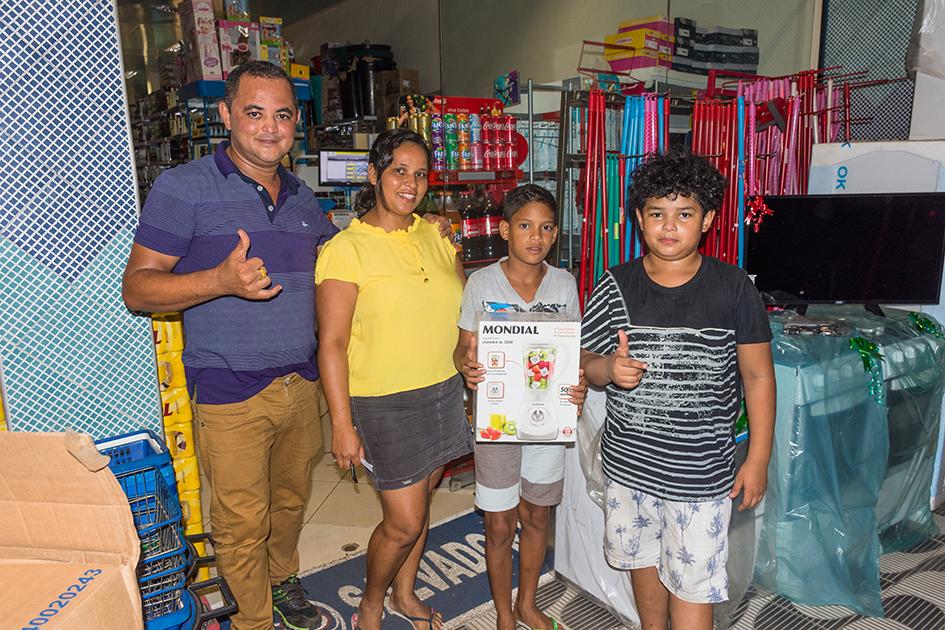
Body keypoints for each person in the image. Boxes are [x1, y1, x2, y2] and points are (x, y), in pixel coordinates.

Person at [122, 61, 449, 630]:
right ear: (225, 115)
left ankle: (282, 581)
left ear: (296, 122)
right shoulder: (184, 187)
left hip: (301, 386)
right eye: (254, 113)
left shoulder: (303, 200)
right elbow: (138, 288)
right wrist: (217, 281)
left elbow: (352, 268)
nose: (269, 128)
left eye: (282, 115)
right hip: (229, 392)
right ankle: (252, 620)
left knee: (291, 504)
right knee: (240, 520)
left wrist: (427, 228)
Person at [579, 150, 776, 630]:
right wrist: (609, 367)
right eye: (657, 214)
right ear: (639, 219)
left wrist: (758, 459)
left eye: (684, 214)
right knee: (641, 562)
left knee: (693, 582)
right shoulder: (615, 285)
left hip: (700, 474)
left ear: (706, 219)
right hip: (628, 466)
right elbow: (583, 363)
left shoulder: (733, 288)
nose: (670, 226)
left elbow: (758, 376)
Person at [315, 128, 472, 630]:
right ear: (374, 174)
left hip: (443, 389)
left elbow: (461, 303)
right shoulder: (346, 248)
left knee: (422, 504)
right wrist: (342, 424)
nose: (411, 183)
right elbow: (332, 343)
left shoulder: (434, 234)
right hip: (384, 401)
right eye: (399, 171)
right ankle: (371, 602)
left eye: (421, 173)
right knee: (403, 522)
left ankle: (406, 593)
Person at [454, 184, 587, 630]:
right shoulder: (481, 282)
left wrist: (579, 384)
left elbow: (573, 354)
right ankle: (504, 613)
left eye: (546, 227)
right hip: (497, 423)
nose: (536, 237)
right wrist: (467, 368)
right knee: (498, 524)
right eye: (525, 226)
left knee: (536, 516)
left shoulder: (564, 284)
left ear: (554, 234)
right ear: (505, 229)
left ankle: (528, 602)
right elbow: (462, 349)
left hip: (548, 424)